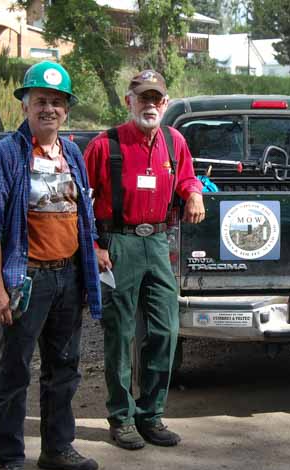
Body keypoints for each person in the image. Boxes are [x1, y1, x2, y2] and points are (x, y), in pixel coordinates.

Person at [0, 61, 101, 470]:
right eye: (41, 101)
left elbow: (84, 212)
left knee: (64, 368)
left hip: (68, 278)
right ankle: (8, 459)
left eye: (57, 102)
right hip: (25, 281)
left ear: (67, 111)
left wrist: (94, 254)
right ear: (26, 106)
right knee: (14, 370)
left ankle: (57, 447)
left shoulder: (73, 154)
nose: (49, 109)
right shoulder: (5, 156)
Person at [84, 70, 205, 450]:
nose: (150, 105)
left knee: (165, 331)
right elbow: (78, 200)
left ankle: (150, 414)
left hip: (159, 243)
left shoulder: (174, 141)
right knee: (120, 334)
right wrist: (94, 245)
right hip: (118, 244)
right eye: (143, 98)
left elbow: (186, 177)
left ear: (165, 104)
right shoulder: (105, 145)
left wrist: (194, 192)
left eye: (157, 99)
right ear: (129, 101)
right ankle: (121, 418)